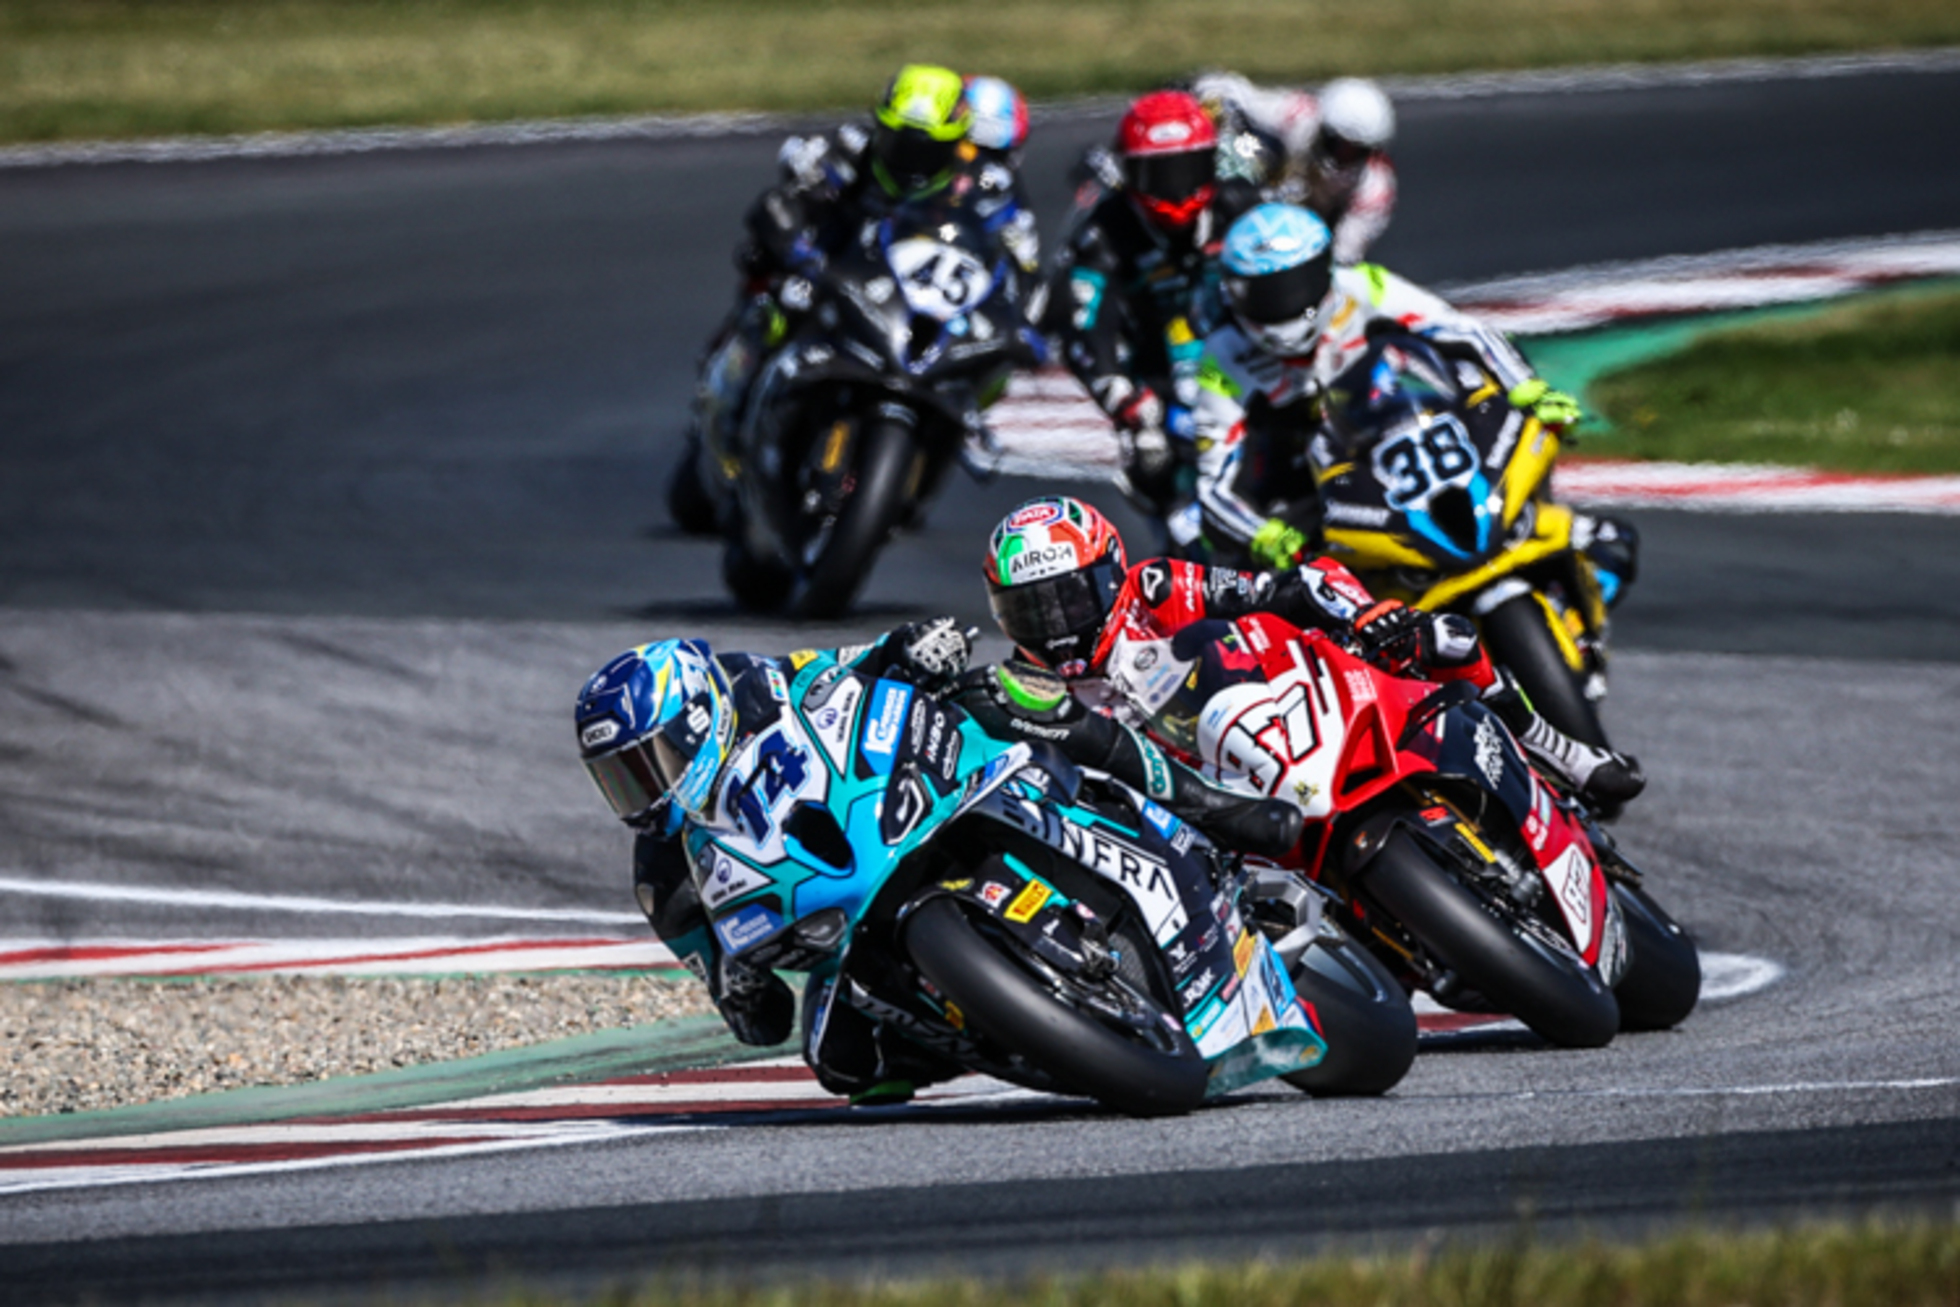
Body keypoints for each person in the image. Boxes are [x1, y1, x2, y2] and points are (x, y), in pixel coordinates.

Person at [575, 615, 1301, 1105]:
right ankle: (1021, 1029)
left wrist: (911, 644)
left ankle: (1210, 805)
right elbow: (756, 1020)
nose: (641, 791)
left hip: (909, 795)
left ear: (698, 719)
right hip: (845, 920)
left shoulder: (756, 683)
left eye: (647, 761)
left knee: (1004, 691)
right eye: (620, 779)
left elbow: (845, 667)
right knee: (844, 1063)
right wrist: (738, 983)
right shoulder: (663, 876)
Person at [966, 494, 1646, 811]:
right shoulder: (1029, 690)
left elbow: (1281, 587)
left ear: (1111, 572)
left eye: (1069, 599)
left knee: (1446, 639)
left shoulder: (1155, 589)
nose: (1056, 626)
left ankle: (1564, 752)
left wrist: (1364, 614)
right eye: (1031, 610)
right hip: (1208, 807)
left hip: (1285, 713)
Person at [1186, 203, 1635, 602]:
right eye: (1267, 294)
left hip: (1393, 422)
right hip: (1309, 479)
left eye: (1296, 285)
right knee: (1263, 581)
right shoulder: (1223, 358)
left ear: (1324, 269)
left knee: (1488, 412)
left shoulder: (1363, 285)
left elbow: (1458, 330)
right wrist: (1262, 534)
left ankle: (1552, 526)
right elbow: (1213, 485)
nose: (1287, 303)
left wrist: (1525, 386)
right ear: (1235, 294)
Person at [685, 64, 1042, 514]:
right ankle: (729, 403)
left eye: (987, 150)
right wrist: (792, 234)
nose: (913, 159)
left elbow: (1023, 264)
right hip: (836, 272)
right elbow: (789, 190)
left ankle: (942, 430)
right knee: (776, 306)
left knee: (995, 357)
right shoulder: (851, 150)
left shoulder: (990, 191)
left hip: (913, 295)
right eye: (901, 142)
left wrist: (1019, 316)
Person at [1046, 89, 1262, 537]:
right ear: (1131, 175)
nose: (1176, 188)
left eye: (1188, 169)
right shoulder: (1105, 232)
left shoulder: (1242, 209)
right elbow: (1082, 324)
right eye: (1159, 174)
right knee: (1151, 462)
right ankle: (1177, 530)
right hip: (1153, 374)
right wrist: (1124, 400)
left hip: (1247, 359)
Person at [1191, 72, 1398, 264]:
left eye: (1358, 152)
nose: (1346, 159)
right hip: (1267, 192)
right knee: (1233, 166)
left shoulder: (1376, 190)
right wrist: (1209, 97)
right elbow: (1237, 96)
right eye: (1341, 147)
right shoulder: (1299, 115)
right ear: (1323, 130)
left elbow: (1342, 258)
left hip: (1307, 240)